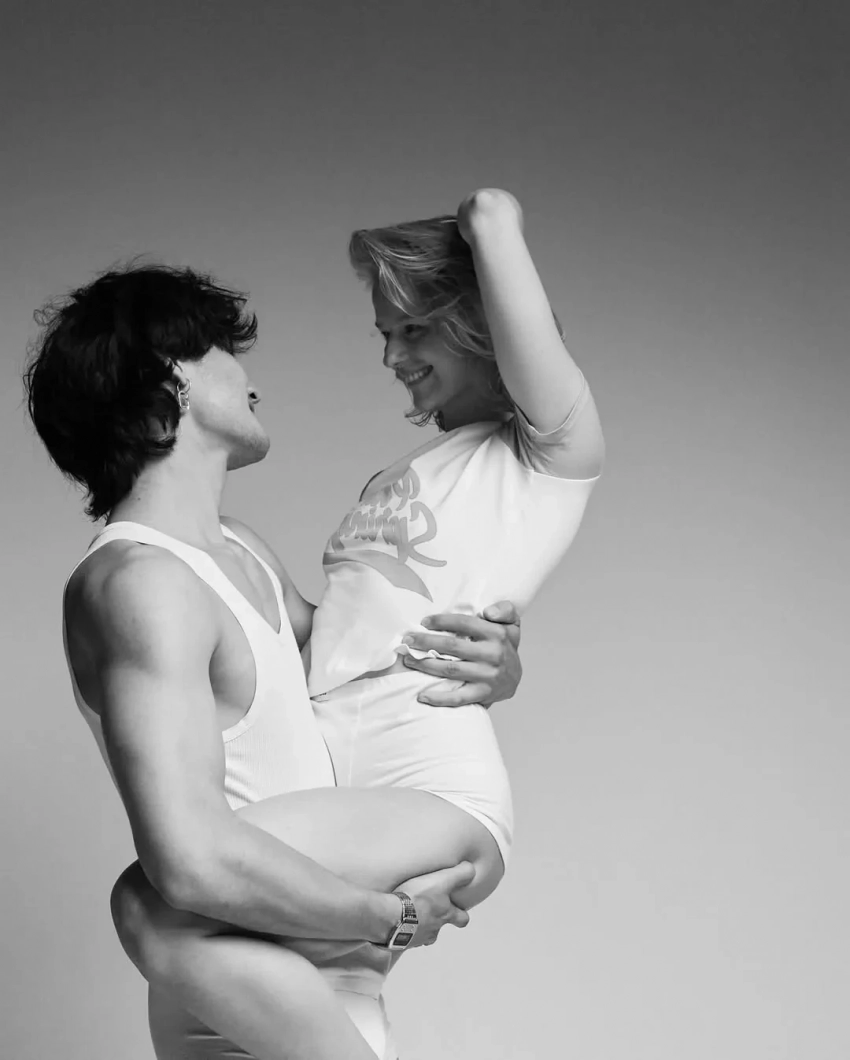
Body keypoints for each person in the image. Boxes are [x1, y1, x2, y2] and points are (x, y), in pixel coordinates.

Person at [102, 186, 606, 1059]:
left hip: (426, 780)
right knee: (199, 962)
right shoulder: (404, 475)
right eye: (384, 333)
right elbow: (314, 636)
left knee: (156, 900)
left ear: (481, 321)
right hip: (344, 782)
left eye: (412, 329)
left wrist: (480, 225)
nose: (390, 355)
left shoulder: (552, 449)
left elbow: (493, 215)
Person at [24, 258, 526, 1060]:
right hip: (240, 997)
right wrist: (388, 917)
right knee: (141, 902)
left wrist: (486, 664)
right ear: (172, 380)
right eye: (224, 351)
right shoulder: (141, 583)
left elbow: (366, 669)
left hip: (331, 987)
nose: (250, 379)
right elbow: (190, 862)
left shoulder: (241, 552)